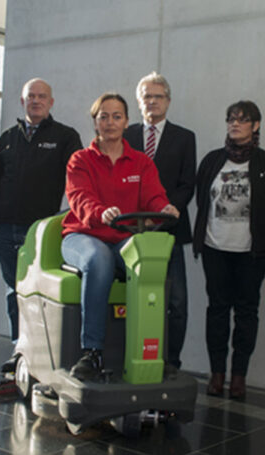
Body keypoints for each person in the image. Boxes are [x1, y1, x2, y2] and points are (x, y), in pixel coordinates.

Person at [61, 92, 179, 380]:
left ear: (127, 122)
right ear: (95, 122)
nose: (110, 122)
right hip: (83, 236)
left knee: (149, 261)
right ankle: (92, 352)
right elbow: (80, 198)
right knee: (98, 259)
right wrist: (100, 212)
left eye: (117, 116)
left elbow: (153, 197)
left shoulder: (141, 163)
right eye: (104, 116)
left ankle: (148, 352)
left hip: (122, 238)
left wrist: (164, 207)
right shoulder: (80, 160)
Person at [0, 78, 82, 372]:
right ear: (22, 101)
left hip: (41, 233)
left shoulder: (66, 137)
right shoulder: (6, 139)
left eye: (42, 96)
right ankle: (20, 350)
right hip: (6, 228)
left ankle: (43, 353)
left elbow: (77, 181)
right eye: (31, 96)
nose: (36, 101)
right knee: (14, 292)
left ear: (51, 102)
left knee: (38, 294)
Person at [193, 100, 265, 399]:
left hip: (252, 253)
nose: (235, 124)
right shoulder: (212, 161)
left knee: (246, 311)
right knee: (217, 310)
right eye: (231, 119)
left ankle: (239, 376)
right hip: (215, 247)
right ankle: (217, 374)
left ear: (255, 126)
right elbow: (200, 198)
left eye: (243, 120)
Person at [123, 72, 196, 370]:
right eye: (146, 97)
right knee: (133, 301)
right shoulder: (125, 136)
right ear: (139, 103)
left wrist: (159, 216)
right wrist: (137, 222)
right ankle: (133, 358)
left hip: (170, 231)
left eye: (158, 97)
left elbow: (186, 186)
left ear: (168, 100)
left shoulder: (184, 137)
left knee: (176, 303)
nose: (152, 102)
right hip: (130, 234)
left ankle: (172, 363)